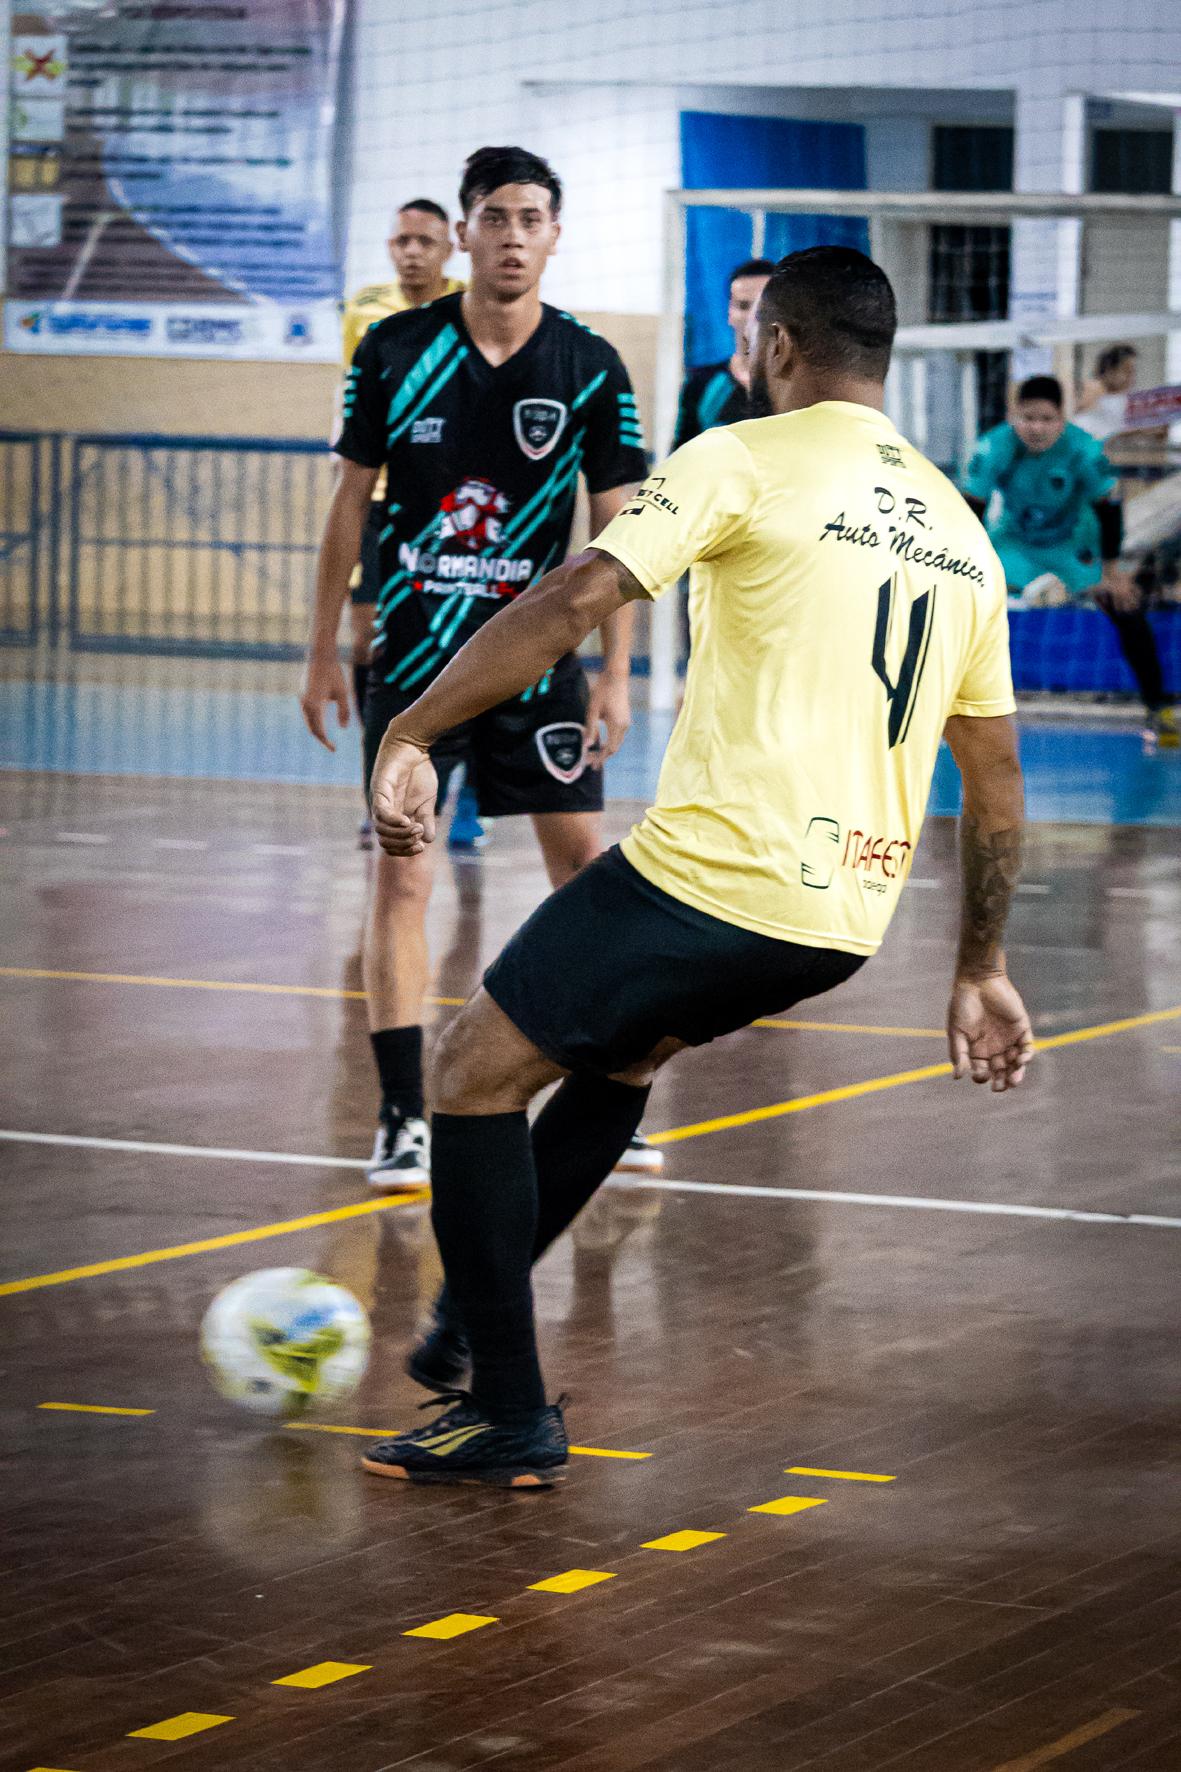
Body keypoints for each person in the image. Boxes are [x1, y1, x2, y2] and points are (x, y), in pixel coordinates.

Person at [358, 245, 1035, 1490]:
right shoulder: (959, 527)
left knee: (465, 1073)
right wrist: (979, 964)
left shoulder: (735, 454)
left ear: (775, 346)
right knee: (620, 1052)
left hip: (714, 876)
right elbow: (992, 778)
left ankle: (505, 1406)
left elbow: (575, 596)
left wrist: (413, 728)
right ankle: (477, 1315)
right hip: (838, 918)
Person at [300, 145, 659, 1192]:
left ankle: (605, 1087)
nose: (510, 235)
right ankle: (403, 1116)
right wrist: (322, 647)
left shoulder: (587, 364)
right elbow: (344, 507)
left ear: (554, 235)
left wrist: (615, 672)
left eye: (529, 218)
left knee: (586, 872)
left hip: (539, 660)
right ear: (462, 232)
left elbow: (618, 528)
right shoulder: (395, 349)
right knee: (401, 871)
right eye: (492, 216)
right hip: (411, 668)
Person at [340, 200, 469, 850]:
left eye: (424, 240)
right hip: (379, 501)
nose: (411, 251)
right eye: (400, 240)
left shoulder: (472, 305)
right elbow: (352, 402)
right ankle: (378, 789)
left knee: (464, 647)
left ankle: (466, 793)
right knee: (368, 642)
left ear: (449, 245)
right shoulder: (364, 308)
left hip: (449, 506)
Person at [963, 376, 1178, 747]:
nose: (1037, 428)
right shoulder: (992, 447)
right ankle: (948, 704)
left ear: (1062, 418)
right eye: (1028, 418)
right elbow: (971, 511)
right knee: (963, 607)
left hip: (1072, 544)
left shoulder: (1083, 449)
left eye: (1046, 419)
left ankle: (1158, 709)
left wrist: (1112, 572)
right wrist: (963, 569)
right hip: (1014, 543)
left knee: (1125, 605)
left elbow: (1109, 509)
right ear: (1013, 417)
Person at [672, 259, 775, 447]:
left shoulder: (799, 385)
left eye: (764, 306)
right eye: (744, 306)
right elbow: (680, 458)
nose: (754, 316)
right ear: (730, 313)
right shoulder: (701, 384)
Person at [1073, 343, 1138, 443]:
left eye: (1132, 371)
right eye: (1126, 370)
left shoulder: (1129, 401)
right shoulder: (1091, 392)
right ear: (1109, 370)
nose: (1131, 376)